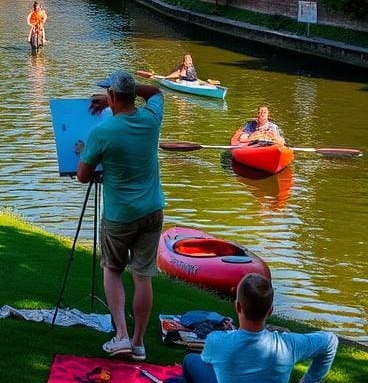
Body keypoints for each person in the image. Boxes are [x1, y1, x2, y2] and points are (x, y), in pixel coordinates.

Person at [77, 70, 165, 361]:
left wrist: (83, 153)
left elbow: (82, 176)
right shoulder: (151, 120)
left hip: (120, 215)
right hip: (152, 210)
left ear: (113, 97)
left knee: (112, 270)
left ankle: (122, 336)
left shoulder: (102, 133)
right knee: (143, 276)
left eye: (110, 96)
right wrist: (123, 91)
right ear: (131, 96)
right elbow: (155, 93)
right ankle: (139, 344)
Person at [175, 274, 337, 383]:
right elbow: (331, 341)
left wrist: (231, 337)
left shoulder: (217, 340)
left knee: (190, 360)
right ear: (271, 311)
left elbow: (208, 360)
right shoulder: (288, 345)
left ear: (238, 306)